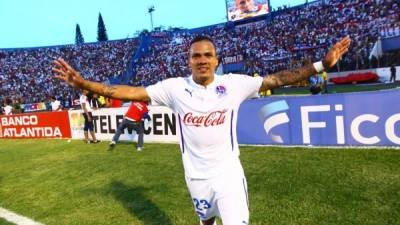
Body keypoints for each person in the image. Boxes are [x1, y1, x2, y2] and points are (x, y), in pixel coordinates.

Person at [53, 35, 351, 225]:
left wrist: (320, 64)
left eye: (207, 55)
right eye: (196, 56)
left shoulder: (234, 84)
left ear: (216, 60)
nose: (202, 60)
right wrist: (84, 84)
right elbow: (129, 92)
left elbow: (277, 79)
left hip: (229, 176)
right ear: (189, 61)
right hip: (196, 177)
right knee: (206, 221)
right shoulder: (174, 88)